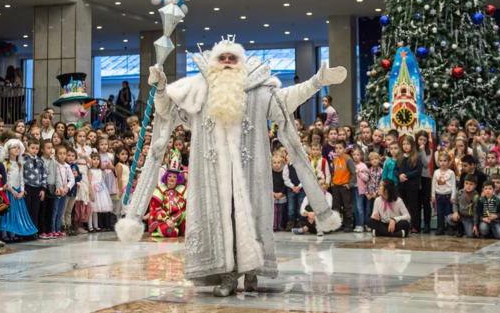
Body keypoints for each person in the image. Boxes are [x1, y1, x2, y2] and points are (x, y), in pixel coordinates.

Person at [118, 38, 346, 296]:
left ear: (241, 63)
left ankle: (252, 272)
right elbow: (167, 110)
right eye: (222, 58)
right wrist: (160, 87)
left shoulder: (259, 91)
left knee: (250, 217)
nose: (227, 62)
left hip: (252, 173)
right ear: (214, 62)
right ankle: (227, 276)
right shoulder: (198, 89)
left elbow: (287, 99)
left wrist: (317, 81)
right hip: (213, 175)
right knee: (220, 221)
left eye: (232, 58)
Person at [149, 154, 187, 237]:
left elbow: (189, 206)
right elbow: (155, 210)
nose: (172, 178)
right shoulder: (159, 191)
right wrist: (167, 220)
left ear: (178, 179)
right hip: (163, 221)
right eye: (170, 176)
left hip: (179, 220)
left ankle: (181, 230)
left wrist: (178, 217)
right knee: (169, 231)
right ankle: (174, 231)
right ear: (166, 178)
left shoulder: (183, 190)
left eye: (174, 177)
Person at [432, 153, 455, 235]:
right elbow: (434, 184)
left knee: (449, 212)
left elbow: (453, 185)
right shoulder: (436, 172)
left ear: (448, 162)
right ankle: (440, 228)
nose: (442, 163)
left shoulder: (451, 173)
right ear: (438, 162)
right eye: (441, 161)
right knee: (440, 212)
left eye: (445, 161)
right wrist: (433, 195)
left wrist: (453, 196)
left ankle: (450, 228)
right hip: (438, 195)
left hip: (448, 195)